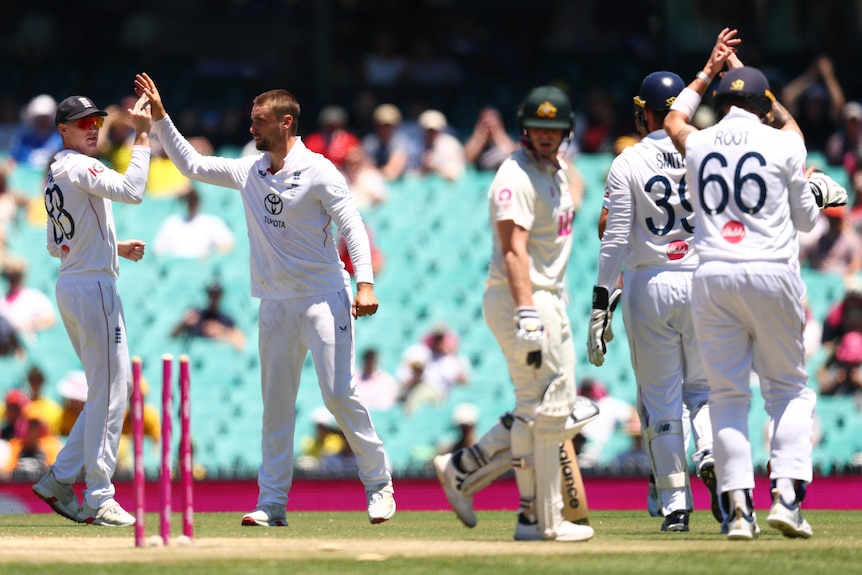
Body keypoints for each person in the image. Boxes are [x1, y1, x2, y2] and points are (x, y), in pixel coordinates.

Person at [135, 72, 396, 527]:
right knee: (276, 406)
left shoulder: (318, 170)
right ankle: (272, 503)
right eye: (252, 121)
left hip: (323, 298)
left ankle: (379, 485)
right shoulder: (248, 169)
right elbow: (192, 165)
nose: (251, 128)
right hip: (274, 304)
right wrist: (161, 117)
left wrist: (365, 282)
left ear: (286, 122)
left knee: (338, 395)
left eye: (259, 122)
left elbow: (351, 223)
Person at [664, 28, 848, 540]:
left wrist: (708, 70)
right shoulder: (785, 143)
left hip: (713, 275)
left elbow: (675, 117)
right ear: (763, 103)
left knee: (726, 396)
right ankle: (787, 499)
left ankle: (739, 511)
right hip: (771, 272)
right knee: (788, 390)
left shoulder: (698, 142)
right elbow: (809, 221)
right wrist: (756, 88)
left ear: (722, 103)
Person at [433, 85, 594, 542]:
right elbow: (512, 251)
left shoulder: (558, 171)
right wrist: (526, 312)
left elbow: (574, 195)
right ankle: (540, 520)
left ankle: (467, 472)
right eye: (538, 130)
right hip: (521, 296)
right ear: (525, 129)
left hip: (549, 296)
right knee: (545, 412)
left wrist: (566, 167)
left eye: (554, 130)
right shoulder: (514, 177)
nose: (546, 138)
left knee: (549, 408)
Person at [587, 70, 719, 532]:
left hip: (651, 282)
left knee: (660, 401)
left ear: (644, 112)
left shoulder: (629, 160)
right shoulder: (708, 148)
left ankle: (675, 506)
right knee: (703, 391)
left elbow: (614, 237)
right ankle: (708, 453)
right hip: (705, 279)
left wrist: (601, 301)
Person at [31, 93, 152, 527]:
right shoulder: (79, 164)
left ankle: (60, 479)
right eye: (82, 122)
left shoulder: (54, 174)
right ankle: (98, 495)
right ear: (63, 130)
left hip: (73, 282)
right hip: (94, 288)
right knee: (113, 390)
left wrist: (111, 247)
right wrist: (142, 137)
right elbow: (133, 191)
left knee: (108, 389)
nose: (92, 127)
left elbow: (55, 244)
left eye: (96, 120)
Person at [396, 324, 471, 414]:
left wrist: (454, 353)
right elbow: (405, 371)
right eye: (436, 338)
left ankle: (409, 416)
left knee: (420, 393)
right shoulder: (422, 352)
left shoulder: (452, 359)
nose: (438, 341)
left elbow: (464, 381)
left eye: (441, 338)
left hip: (438, 392)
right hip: (416, 386)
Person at [152, 185, 236, 259]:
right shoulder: (171, 223)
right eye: (187, 200)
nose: (190, 203)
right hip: (178, 267)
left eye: (193, 200)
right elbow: (158, 250)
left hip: (202, 269)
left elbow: (228, 244)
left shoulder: (211, 222)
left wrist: (211, 256)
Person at [170, 278, 246, 351]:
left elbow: (241, 346)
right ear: (207, 294)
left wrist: (222, 332)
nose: (213, 297)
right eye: (211, 293)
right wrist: (183, 324)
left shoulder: (227, 320)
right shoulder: (196, 316)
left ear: (221, 295)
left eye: (216, 294)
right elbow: (172, 337)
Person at [0, 257, 57, 345]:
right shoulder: (2, 299)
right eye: (10, 276)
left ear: (22, 277)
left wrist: (25, 326)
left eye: (17, 276)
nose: (13, 280)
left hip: (26, 345)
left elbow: (50, 319)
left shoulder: (34, 297)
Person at [800, 205, 862, 277]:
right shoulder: (817, 242)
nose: (832, 223)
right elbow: (801, 258)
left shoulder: (851, 242)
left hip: (840, 280)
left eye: (836, 220)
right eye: (830, 219)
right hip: (818, 279)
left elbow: (855, 265)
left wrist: (843, 279)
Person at [8, 94, 63, 171]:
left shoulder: (60, 140)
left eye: (46, 117)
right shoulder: (23, 139)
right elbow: (12, 161)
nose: (42, 121)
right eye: (39, 117)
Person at [362, 103, 412, 181]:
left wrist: (375, 172)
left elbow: (393, 171)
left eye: (389, 125)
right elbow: (365, 168)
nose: (385, 129)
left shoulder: (401, 141)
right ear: (375, 125)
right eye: (381, 124)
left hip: (398, 183)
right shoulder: (369, 141)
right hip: (375, 182)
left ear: (396, 126)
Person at [303, 105, 361, 172]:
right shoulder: (313, 140)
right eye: (329, 125)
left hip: (345, 174)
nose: (332, 128)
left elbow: (355, 161)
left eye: (335, 125)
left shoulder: (350, 140)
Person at [463, 106, 518, 172]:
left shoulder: (509, 138)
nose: (489, 126)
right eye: (485, 123)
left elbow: (512, 154)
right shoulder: (472, 139)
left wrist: (498, 134)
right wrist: (479, 137)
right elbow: (467, 159)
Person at [417, 109, 466, 181]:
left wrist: (435, 166)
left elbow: (456, 175)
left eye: (434, 130)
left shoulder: (451, 145)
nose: (430, 133)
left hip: (447, 187)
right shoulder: (417, 145)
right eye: (427, 130)